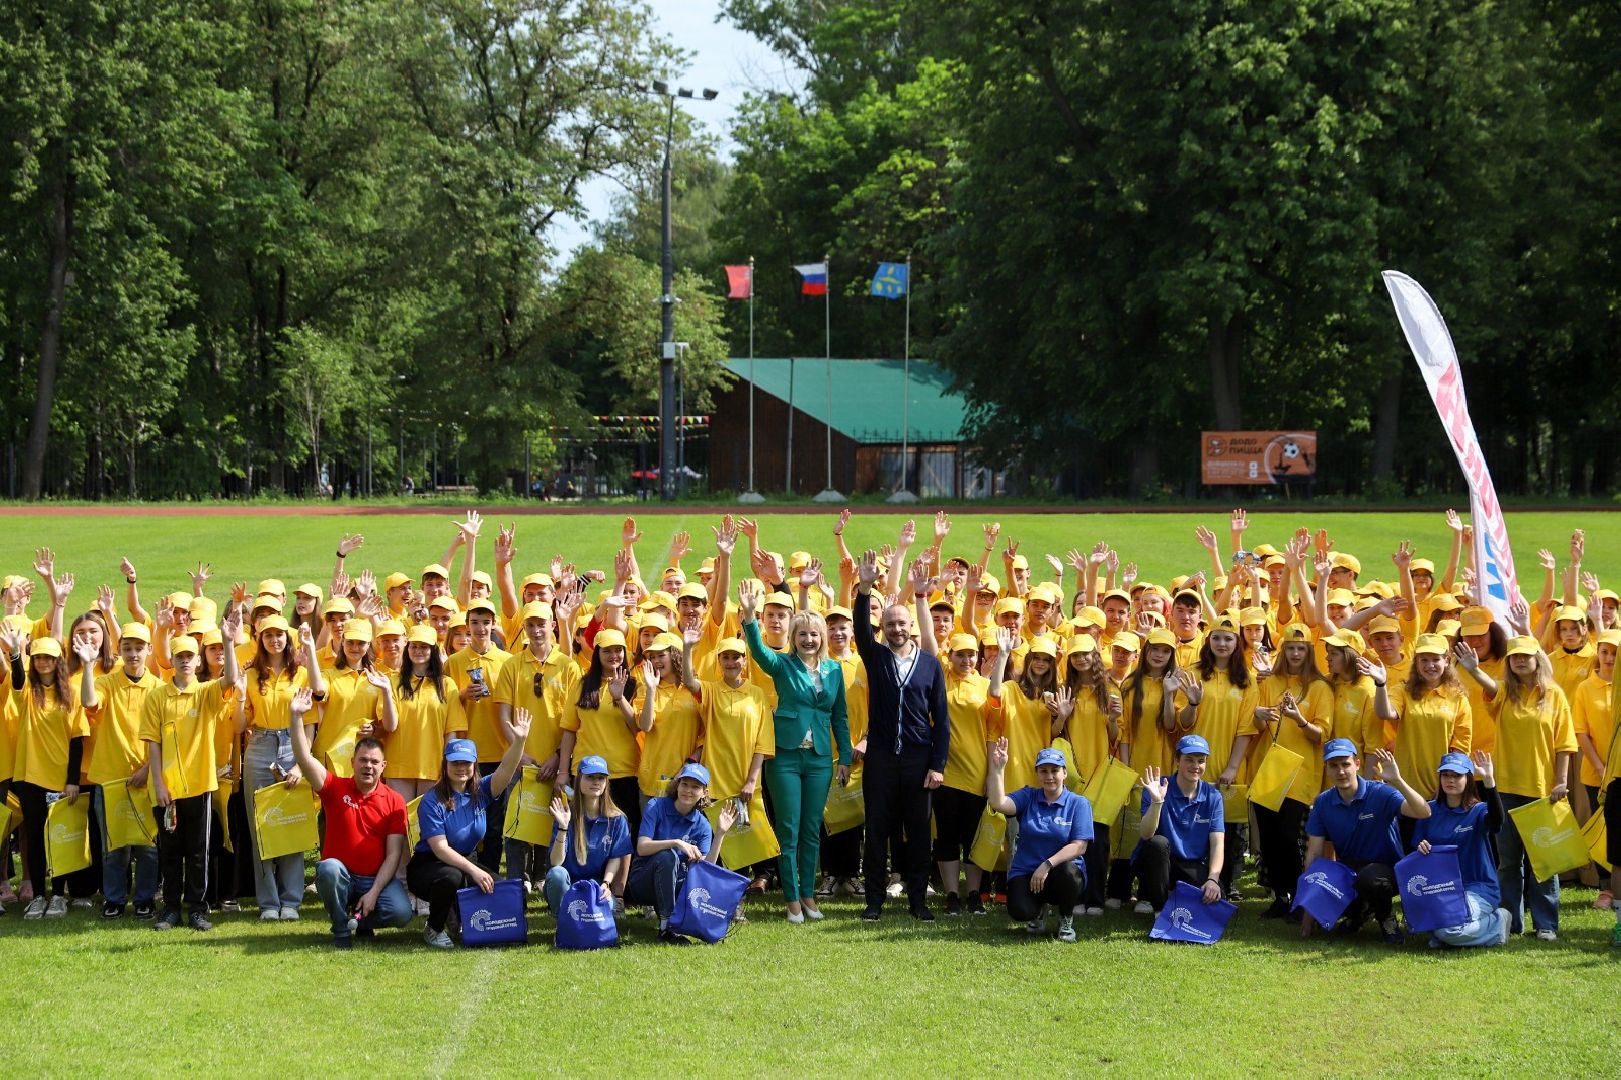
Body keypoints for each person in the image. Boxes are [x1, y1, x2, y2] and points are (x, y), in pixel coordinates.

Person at [740, 580, 851, 923]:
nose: (808, 639)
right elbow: (758, 651)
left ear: (822, 638)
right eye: (801, 634)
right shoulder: (783, 666)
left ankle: (808, 895)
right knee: (788, 829)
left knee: (811, 829)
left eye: (813, 634)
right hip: (786, 757)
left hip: (819, 758)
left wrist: (844, 757)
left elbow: (840, 715)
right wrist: (748, 617)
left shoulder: (833, 670)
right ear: (794, 637)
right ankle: (791, 900)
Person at [1455, 633, 1576, 940]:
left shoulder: (1554, 695)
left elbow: (1564, 743)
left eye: (1526, 655)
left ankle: (1545, 925)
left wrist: (1561, 781)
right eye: (1514, 656)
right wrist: (1473, 669)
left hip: (1542, 789)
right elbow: (1491, 687)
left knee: (1543, 862)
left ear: (1538, 659)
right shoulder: (1505, 693)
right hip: (1506, 788)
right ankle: (1510, 922)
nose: (1520, 660)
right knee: (1509, 861)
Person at [851, 550, 950, 922]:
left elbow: (941, 719)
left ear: (911, 626)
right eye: (889, 624)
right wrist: (863, 589)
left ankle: (918, 901)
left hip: (918, 760)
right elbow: (861, 628)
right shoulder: (875, 657)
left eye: (901, 624)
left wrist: (937, 765)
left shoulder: (929, 664)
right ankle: (873, 901)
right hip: (879, 757)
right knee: (876, 831)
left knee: (919, 834)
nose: (895, 629)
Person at [286, 687, 414, 948]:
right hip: (341, 875)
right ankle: (341, 927)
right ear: (353, 762)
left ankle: (361, 920)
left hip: (373, 878)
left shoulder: (395, 800)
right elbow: (303, 757)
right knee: (329, 869)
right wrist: (296, 718)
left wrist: (374, 892)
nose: (368, 766)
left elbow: (393, 856)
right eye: (363, 760)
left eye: (374, 762)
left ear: (383, 766)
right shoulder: (334, 787)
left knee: (401, 913)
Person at [139, 627, 241, 931]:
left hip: (199, 786)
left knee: (198, 852)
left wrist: (228, 641)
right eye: (179, 656)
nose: (185, 661)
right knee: (169, 852)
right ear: (171, 659)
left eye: (190, 656)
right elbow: (153, 743)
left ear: (198, 662)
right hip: (167, 790)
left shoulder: (206, 692)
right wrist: (158, 783)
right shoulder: (157, 696)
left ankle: (197, 908)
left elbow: (232, 680)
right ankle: (170, 908)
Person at [405, 713, 530, 948]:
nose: (461, 768)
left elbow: (506, 769)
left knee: (507, 892)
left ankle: (460, 916)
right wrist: (474, 871)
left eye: (466, 762)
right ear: (446, 765)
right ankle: (434, 928)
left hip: (465, 862)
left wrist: (520, 742)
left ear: (474, 764)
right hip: (429, 866)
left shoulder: (481, 790)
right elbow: (440, 849)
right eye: (455, 762)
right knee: (452, 877)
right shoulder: (432, 800)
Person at [1302, 739, 1431, 942]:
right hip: (1350, 869)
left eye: (1345, 764)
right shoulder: (1323, 802)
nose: (1341, 771)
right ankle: (1359, 914)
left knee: (1369, 879)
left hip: (1387, 871)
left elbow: (1423, 812)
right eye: (1334, 766)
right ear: (1326, 769)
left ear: (1357, 765)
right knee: (1325, 879)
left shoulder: (1380, 792)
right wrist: (1309, 909)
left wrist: (1397, 780)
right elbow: (1314, 854)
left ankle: (1386, 918)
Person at [240, 614, 326, 920]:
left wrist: (302, 765)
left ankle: (291, 900)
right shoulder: (250, 676)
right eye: (268, 635)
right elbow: (240, 723)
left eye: (280, 635)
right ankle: (268, 903)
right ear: (260, 640)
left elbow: (313, 716)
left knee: (292, 822)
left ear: (287, 639)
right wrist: (238, 699)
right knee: (261, 825)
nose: (274, 640)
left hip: (294, 745)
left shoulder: (300, 673)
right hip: (260, 745)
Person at [2, 631, 90, 918]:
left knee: (58, 839)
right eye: (38, 657)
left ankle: (57, 896)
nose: (43, 663)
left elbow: (77, 739)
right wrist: (16, 653)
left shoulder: (71, 695)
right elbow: (16, 680)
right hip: (29, 777)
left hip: (60, 779)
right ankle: (38, 895)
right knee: (37, 839)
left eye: (48, 658)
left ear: (58, 661)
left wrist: (73, 780)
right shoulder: (27, 690)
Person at [82, 623, 163, 919]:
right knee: (113, 846)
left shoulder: (157, 687)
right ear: (118, 651)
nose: (132, 654)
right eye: (127, 648)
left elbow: (165, 736)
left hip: (147, 778)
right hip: (111, 779)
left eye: (139, 648)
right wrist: (89, 667)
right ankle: (114, 899)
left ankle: (143, 899)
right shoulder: (107, 683)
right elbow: (89, 702)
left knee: (148, 845)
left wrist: (147, 770)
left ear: (149, 650)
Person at [984, 740, 1092, 942]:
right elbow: (998, 803)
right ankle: (1038, 911)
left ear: (1064, 773)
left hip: (1061, 871)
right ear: (1037, 774)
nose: (1050, 776)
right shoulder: (1028, 796)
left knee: (1068, 873)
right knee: (1020, 911)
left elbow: (1080, 846)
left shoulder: (1079, 803)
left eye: (1054, 770)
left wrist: (1047, 864)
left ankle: (1066, 919)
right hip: (1027, 871)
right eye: (1044, 771)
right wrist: (998, 769)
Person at [1411, 751, 1511, 948]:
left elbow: (1497, 820)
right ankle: (1447, 935)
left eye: (1457, 775)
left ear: (1468, 779)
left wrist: (1490, 781)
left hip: (1478, 889)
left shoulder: (1478, 810)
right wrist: (1420, 847)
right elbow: (1416, 850)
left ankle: (1498, 922)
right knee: (1432, 925)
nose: (1451, 780)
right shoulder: (1427, 810)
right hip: (1441, 890)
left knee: (1447, 930)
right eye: (1446, 775)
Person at [627, 762, 735, 944]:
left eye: (696, 787)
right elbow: (642, 847)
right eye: (684, 784)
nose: (688, 791)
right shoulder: (656, 805)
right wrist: (677, 843)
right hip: (643, 882)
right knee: (668, 856)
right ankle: (666, 928)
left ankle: (677, 922)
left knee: (675, 862)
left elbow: (705, 870)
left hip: (678, 887)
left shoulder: (702, 825)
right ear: (677, 785)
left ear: (704, 793)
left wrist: (721, 834)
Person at [1135, 734, 1226, 915]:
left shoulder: (1213, 796)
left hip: (1193, 864)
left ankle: (1171, 895)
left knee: (1217, 899)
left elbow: (1217, 843)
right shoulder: (1157, 787)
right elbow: (1146, 835)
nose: (1195, 766)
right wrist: (1157, 802)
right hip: (1158, 862)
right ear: (1177, 760)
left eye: (1201, 761)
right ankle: (1160, 911)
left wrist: (1213, 879)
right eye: (1189, 760)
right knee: (1157, 843)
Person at [542, 754, 632, 919]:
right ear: (579, 780)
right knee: (556, 875)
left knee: (609, 911)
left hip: (597, 886)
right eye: (590, 777)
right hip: (567, 884)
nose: (596, 782)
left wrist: (606, 883)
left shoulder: (617, 819)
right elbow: (555, 863)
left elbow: (615, 858)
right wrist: (563, 827)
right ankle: (562, 920)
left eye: (601, 778)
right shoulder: (566, 814)